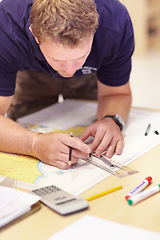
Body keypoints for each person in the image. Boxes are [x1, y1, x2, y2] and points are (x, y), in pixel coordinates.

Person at [0, 0, 134, 169]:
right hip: (29, 70)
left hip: (91, 72)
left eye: (80, 57)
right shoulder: (5, 28)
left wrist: (112, 120)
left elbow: (116, 93)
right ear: (34, 34)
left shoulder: (116, 23)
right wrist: (33, 144)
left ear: (95, 30)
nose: (69, 72)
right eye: (57, 59)